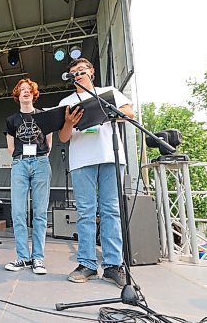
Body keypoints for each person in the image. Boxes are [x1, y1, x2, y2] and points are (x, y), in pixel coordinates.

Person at [58, 57, 135, 288]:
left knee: (111, 210)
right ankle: (87, 264)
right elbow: (63, 137)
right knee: (85, 212)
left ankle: (113, 265)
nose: (78, 74)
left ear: (91, 72)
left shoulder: (108, 92)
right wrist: (70, 123)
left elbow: (129, 113)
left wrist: (108, 113)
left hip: (111, 157)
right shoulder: (67, 101)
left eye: (82, 70)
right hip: (82, 161)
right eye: (74, 72)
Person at [4, 78, 52, 275]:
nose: (25, 92)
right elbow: (10, 147)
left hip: (40, 162)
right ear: (18, 95)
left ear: (34, 94)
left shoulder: (44, 116)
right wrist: (22, 159)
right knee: (18, 212)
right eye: (22, 90)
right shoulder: (11, 120)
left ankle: (38, 258)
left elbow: (49, 141)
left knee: (40, 212)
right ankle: (23, 257)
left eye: (28, 89)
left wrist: (41, 158)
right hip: (20, 163)